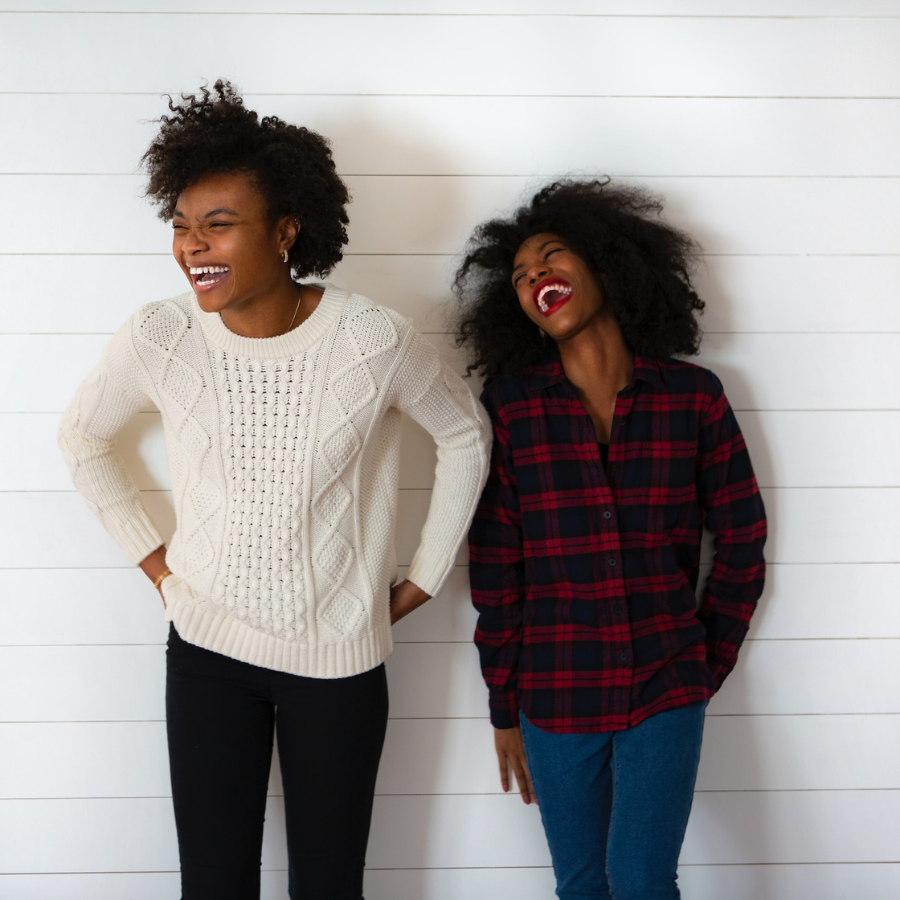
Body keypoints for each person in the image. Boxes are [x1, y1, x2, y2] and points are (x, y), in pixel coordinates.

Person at [58, 80, 490, 900]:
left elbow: (466, 433)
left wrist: (426, 576)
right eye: (181, 226)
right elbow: (81, 436)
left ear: (286, 230)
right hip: (208, 652)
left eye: (219, 224)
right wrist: (157, 568)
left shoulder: (373, 340)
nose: (193, 247)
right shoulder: (161, 334)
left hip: (341, 663)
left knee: (329, 888)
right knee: (214, 887)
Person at [454, 179, 766, 900]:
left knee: (643, 880)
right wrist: (505, 706)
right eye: (523, 277)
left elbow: (743, 537)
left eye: (551, 257)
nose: (536, 278)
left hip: (667, 682)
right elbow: (498, 570)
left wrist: (703, 661)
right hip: (555, 693)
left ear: (606, 265)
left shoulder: (694, 398)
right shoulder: (511, 411)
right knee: (583, 886)